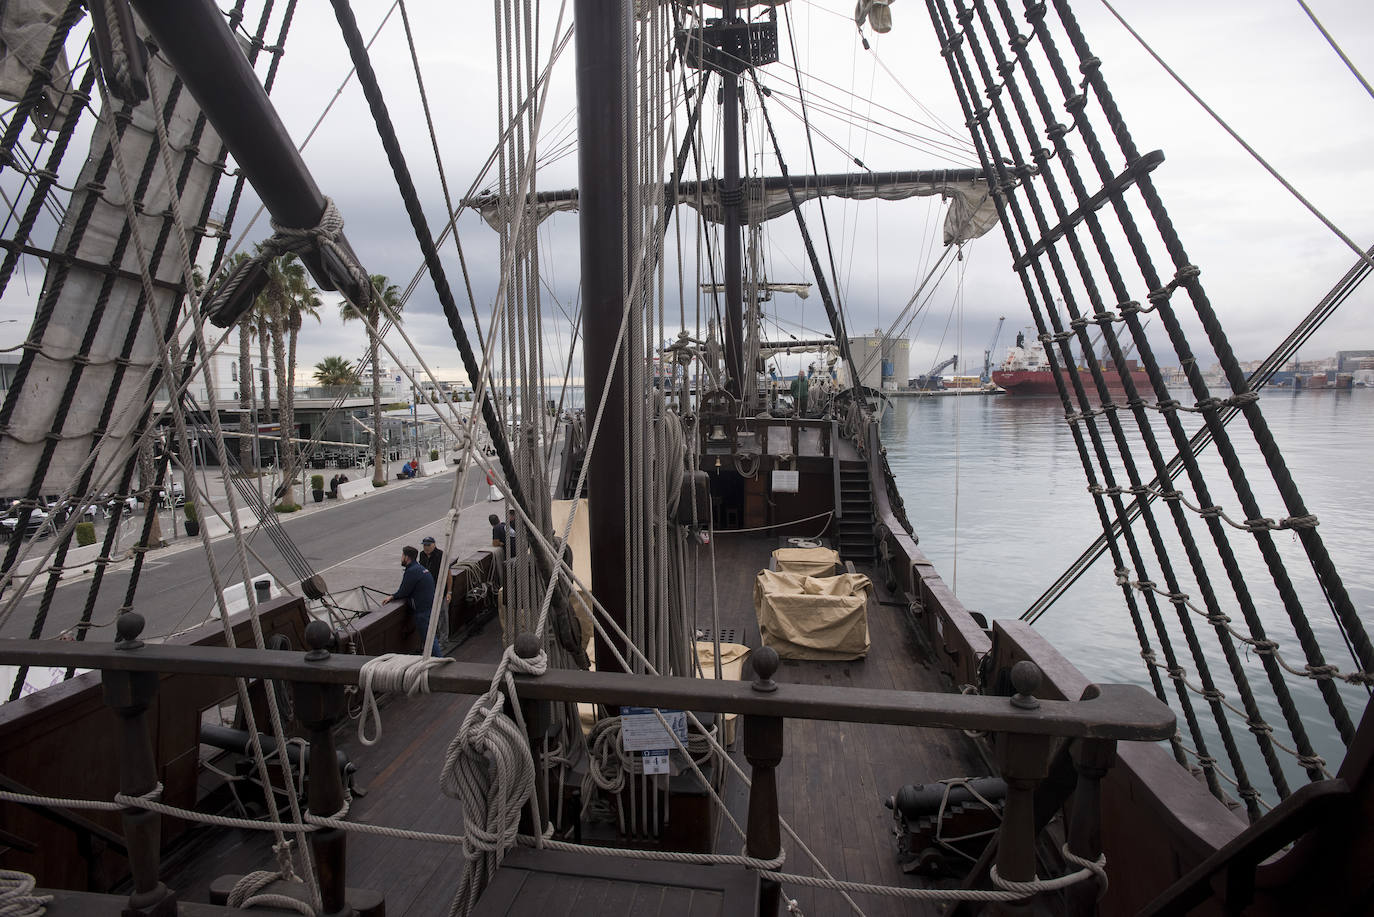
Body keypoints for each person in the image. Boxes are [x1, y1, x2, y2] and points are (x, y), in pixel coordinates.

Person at [390, 545, 441, 655]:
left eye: (402, 555)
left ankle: (439, 660)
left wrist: (392, 596)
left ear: (407, 557)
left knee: (429, 639)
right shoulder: (420, 568)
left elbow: (403, 591)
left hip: (422, 611)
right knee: (430, 637)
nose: (401, 558)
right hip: (429, 607)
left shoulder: (412, 571)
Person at [420, 536, 447, 606]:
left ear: (434, 544)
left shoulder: (441, 555)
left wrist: (449, 592)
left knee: (442, 611)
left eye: (428, 545)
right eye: (424, 545)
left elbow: (448, 573)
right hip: (427, 589)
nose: (426, 547)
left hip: (439, 589)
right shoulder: (422, 554)